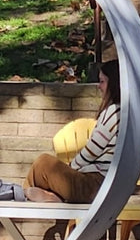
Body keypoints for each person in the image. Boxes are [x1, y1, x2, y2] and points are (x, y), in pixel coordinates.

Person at [24, 60, 121, 203]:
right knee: (46, 171)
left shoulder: (114, 112)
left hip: (95, 186)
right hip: (107, 186)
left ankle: (19, 196)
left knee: (43, 163)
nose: (99, 87)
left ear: (114, 84)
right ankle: (52, 197)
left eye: (102, 82)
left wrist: (70, 168)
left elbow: (92, 151)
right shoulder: (127, 114)